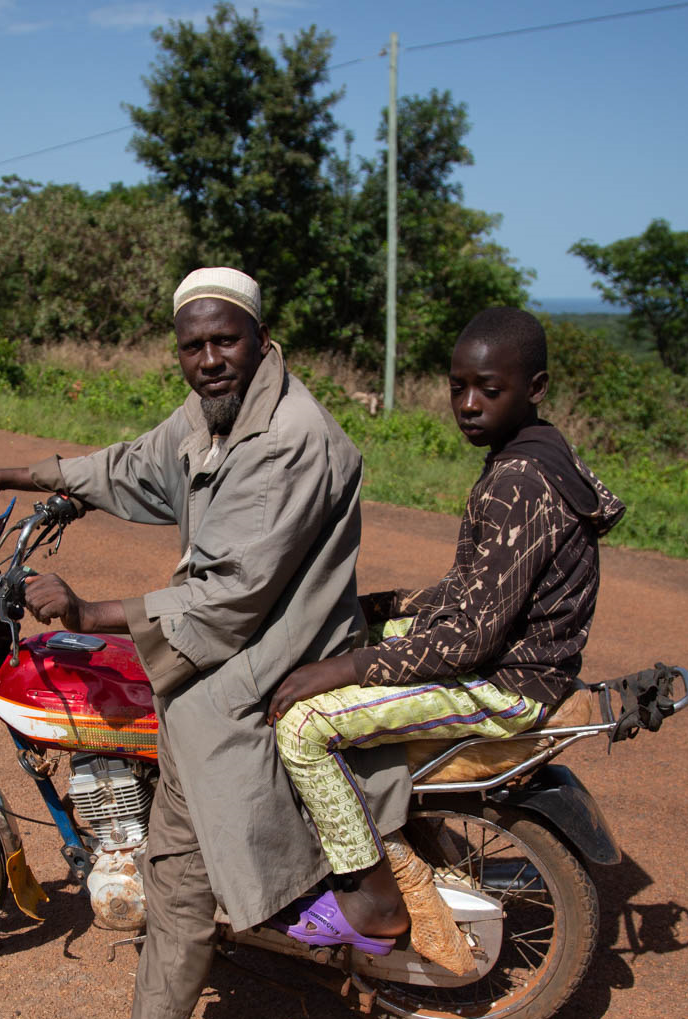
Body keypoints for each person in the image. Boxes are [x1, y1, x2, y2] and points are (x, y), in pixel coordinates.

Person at [0, 267, 410, 1019]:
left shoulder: (288, 439)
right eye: (193, 345)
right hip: (224, 661)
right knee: (172, 870)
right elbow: (135, 464)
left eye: (224, 341)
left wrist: (87, 613)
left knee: (180, 876)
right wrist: (24, 472)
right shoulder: (215, 412)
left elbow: (228, 598)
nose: (208, 359)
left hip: (256, 671)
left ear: (258, 336)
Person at [267, 307, 626, 973]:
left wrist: (350, 661)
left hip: (505, 686)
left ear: (535, 386)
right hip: (526, 662)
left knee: (300, 728)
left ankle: (374, 894)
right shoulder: (539, 456)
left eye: (489, 390)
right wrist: (385, 608)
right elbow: (478, 588)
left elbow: (469, 638)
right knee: (362, 636)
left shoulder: (517, 482)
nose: (467, 404)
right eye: (457, 386)